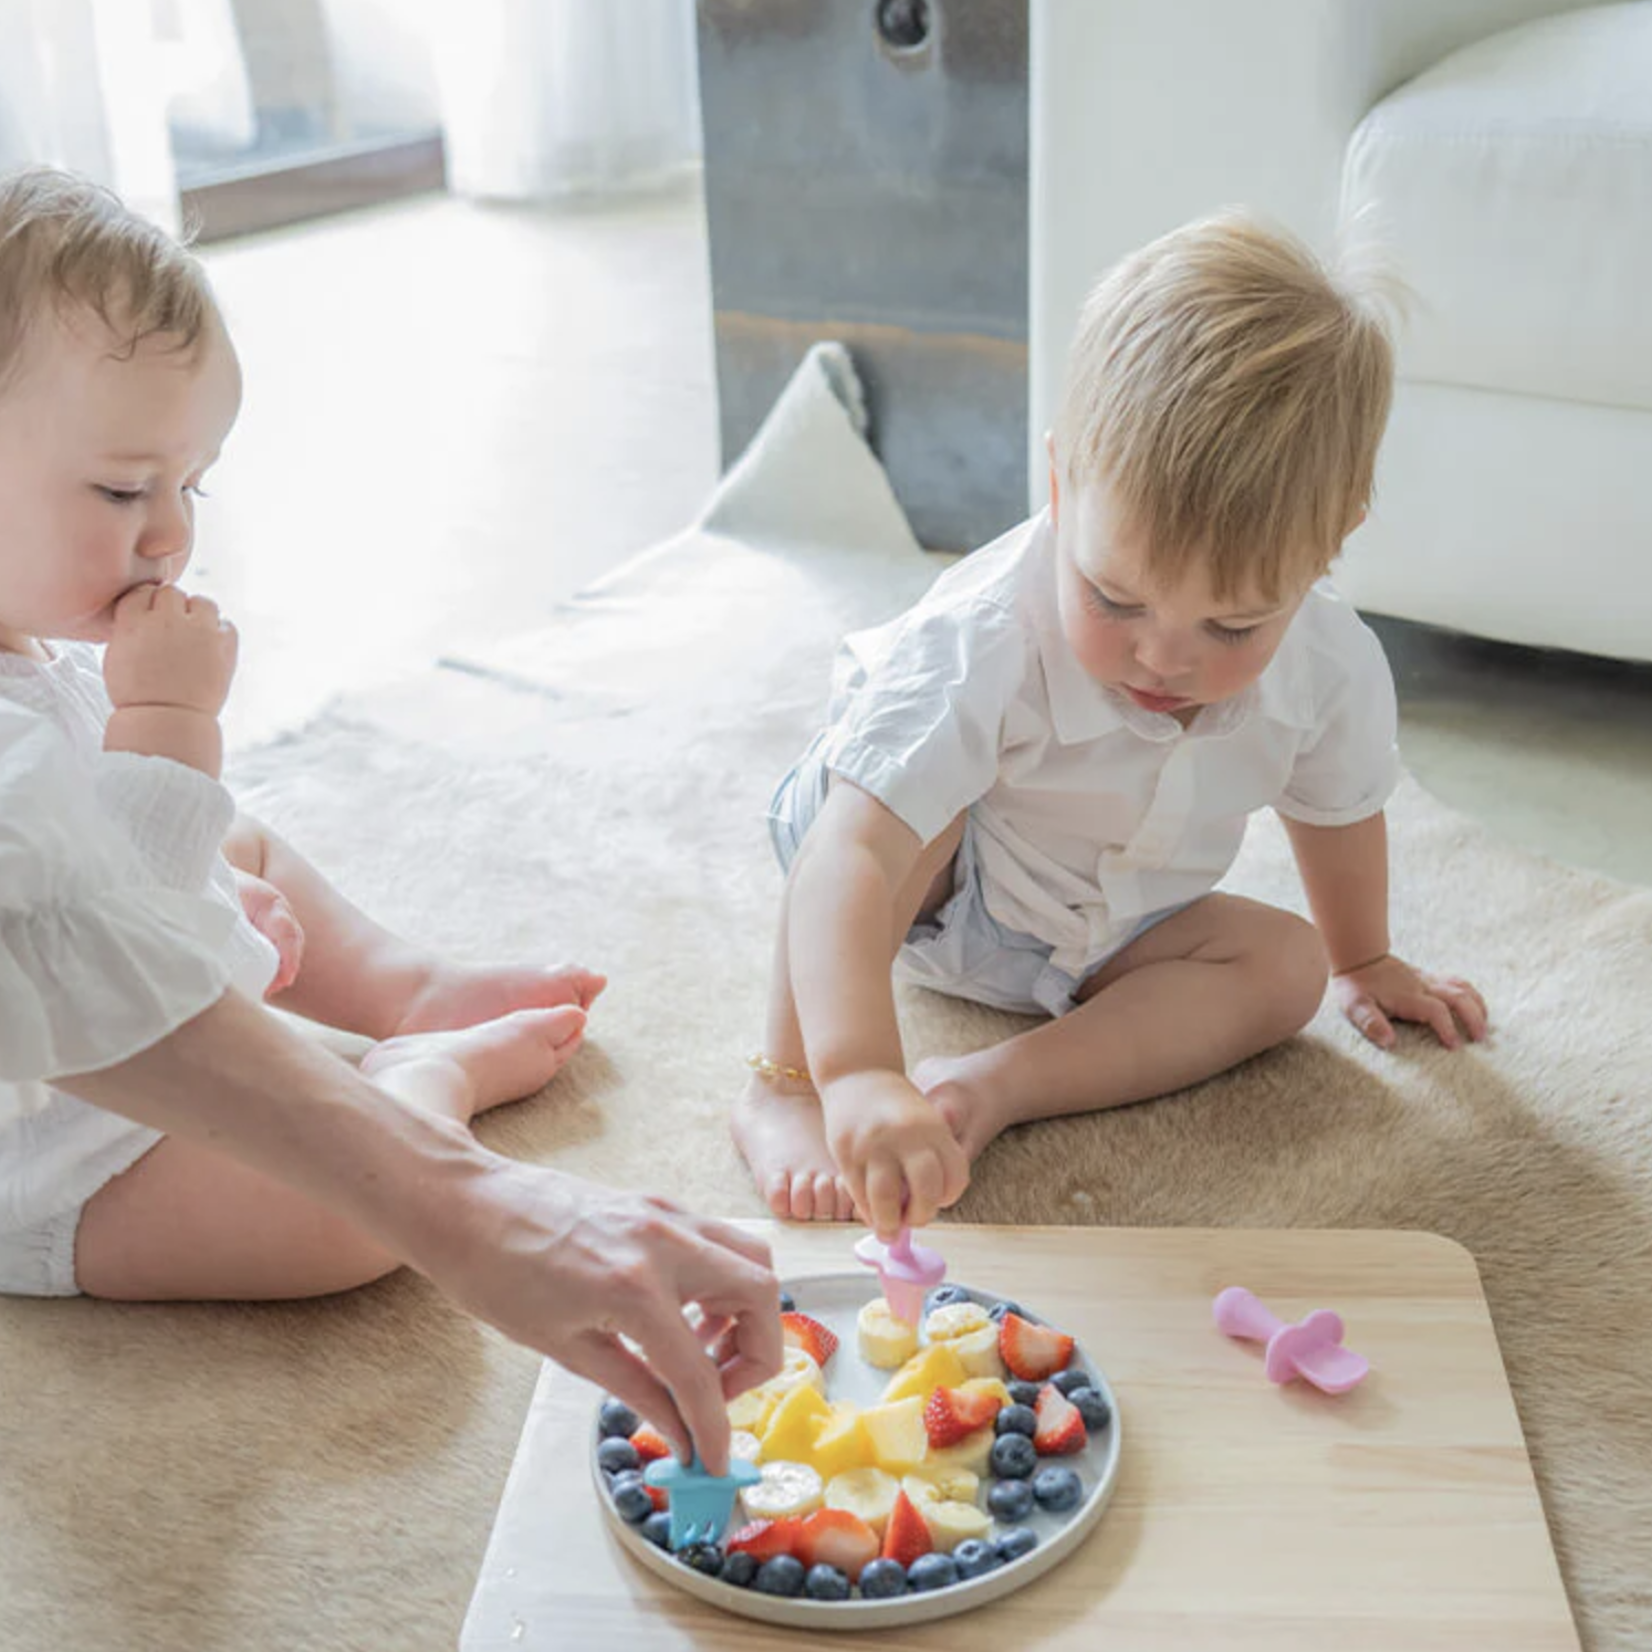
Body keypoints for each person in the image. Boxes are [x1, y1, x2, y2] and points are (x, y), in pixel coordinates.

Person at [0, 167, 776, 1473]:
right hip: (52, 1147)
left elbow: (116, 888)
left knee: (248, 843)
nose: (173, 536)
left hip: (117, 994)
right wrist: (173, 727)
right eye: (125, 492)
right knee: (342, 1230)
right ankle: (431, 1076)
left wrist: (209, 886)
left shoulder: (36, 653)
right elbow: (88, 956)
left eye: (194, 487)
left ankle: (407, 991)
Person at [733, 209, 1490, 1238]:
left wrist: (1362, 958)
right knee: (895, 809)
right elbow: (850, 856)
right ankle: (779, 1088)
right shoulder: (982, 637)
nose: (1166, 658)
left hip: (1102, 927)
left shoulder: (1330, 667)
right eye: (1116, 599)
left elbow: (1338, 811)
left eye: (1231, 623)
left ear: (1329, 545)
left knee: (1285, 968)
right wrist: (857, 1070)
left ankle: (993, 1084)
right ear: (1060, 483)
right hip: (925, 884)